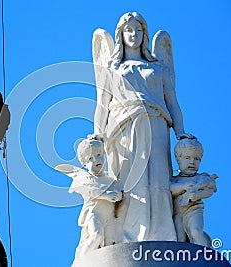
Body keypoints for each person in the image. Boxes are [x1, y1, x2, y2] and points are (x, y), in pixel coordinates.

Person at [93, 12, 194, 242]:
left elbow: (172, 101)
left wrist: (180, 132)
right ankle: (126, 235)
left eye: (138, 30)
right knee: (129, 179)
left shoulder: (158, 68)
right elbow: (102, 104)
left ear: (144, 34)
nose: (134, 34)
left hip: (156, 124)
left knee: (158, 178)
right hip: (123, 127)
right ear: (120, 34)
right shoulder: (113, 68)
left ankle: (162, 233)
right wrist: (98, 133)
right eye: (128, 30)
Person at [55, 136, 122, 258]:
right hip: (94, 214)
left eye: (99, 154)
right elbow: (89, 190)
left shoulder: (111, 180)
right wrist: (106, 195)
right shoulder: (87, 179)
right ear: (85, 164)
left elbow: (120, 192)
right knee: (97, 237)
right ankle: (82, 260)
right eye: (90, 158)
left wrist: (118, 195)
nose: (96, 160)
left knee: (109, 244)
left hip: (110, 217)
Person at [170, 138, 217, 247]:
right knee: (179, 238)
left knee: (195, 231)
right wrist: (183, 186)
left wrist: (198, 195)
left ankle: (203, 254)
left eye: (196, 159)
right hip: (178, 213)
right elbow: (170, 189)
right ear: (178, 159)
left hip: (194, 209)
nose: (192, 162)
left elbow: (209, 191)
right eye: (187, 158)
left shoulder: (200, 178)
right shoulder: (175, 180)